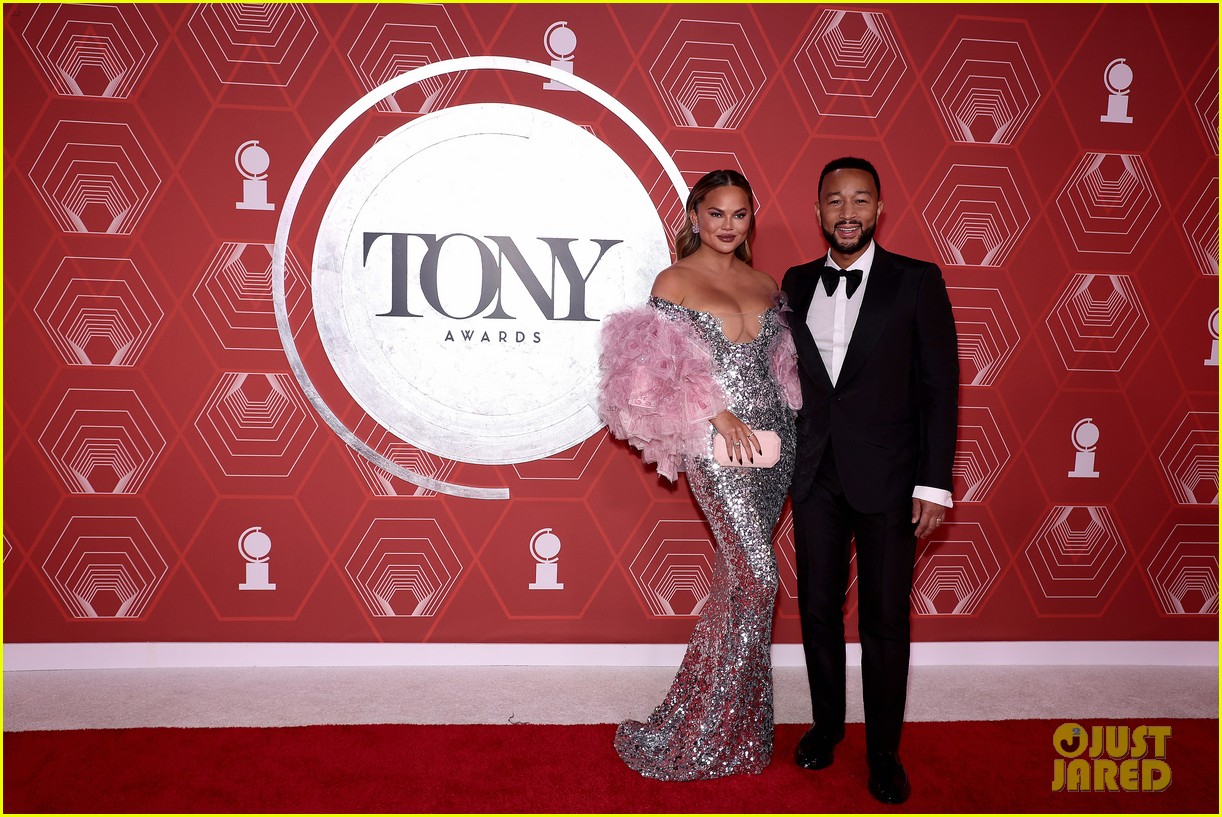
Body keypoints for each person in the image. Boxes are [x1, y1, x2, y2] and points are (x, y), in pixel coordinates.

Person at [597, 169, 802, 781]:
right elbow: (658, 369)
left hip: (777, 440)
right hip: (717, 442)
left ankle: (738, 725)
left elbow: (785, 369)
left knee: (740, 580)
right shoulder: (675, 282)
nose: (728, 225)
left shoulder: (766, 284)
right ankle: (710, 725)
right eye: (716, 213)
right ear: (694, 216)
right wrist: (719, 416)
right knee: (760, 576)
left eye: (740, 215)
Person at [781, 157, 959, 804]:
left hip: (890, 477)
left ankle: (883, 750)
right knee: (818, 610)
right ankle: (827, 726)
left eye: (860, 200)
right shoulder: (795, 282)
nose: (847, 212)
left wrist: (933, 483)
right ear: (819, 211)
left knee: (885, 620)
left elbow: (941, 387)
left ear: (880, 210)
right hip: (815, 475)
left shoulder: (915, 280)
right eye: (835, 200)